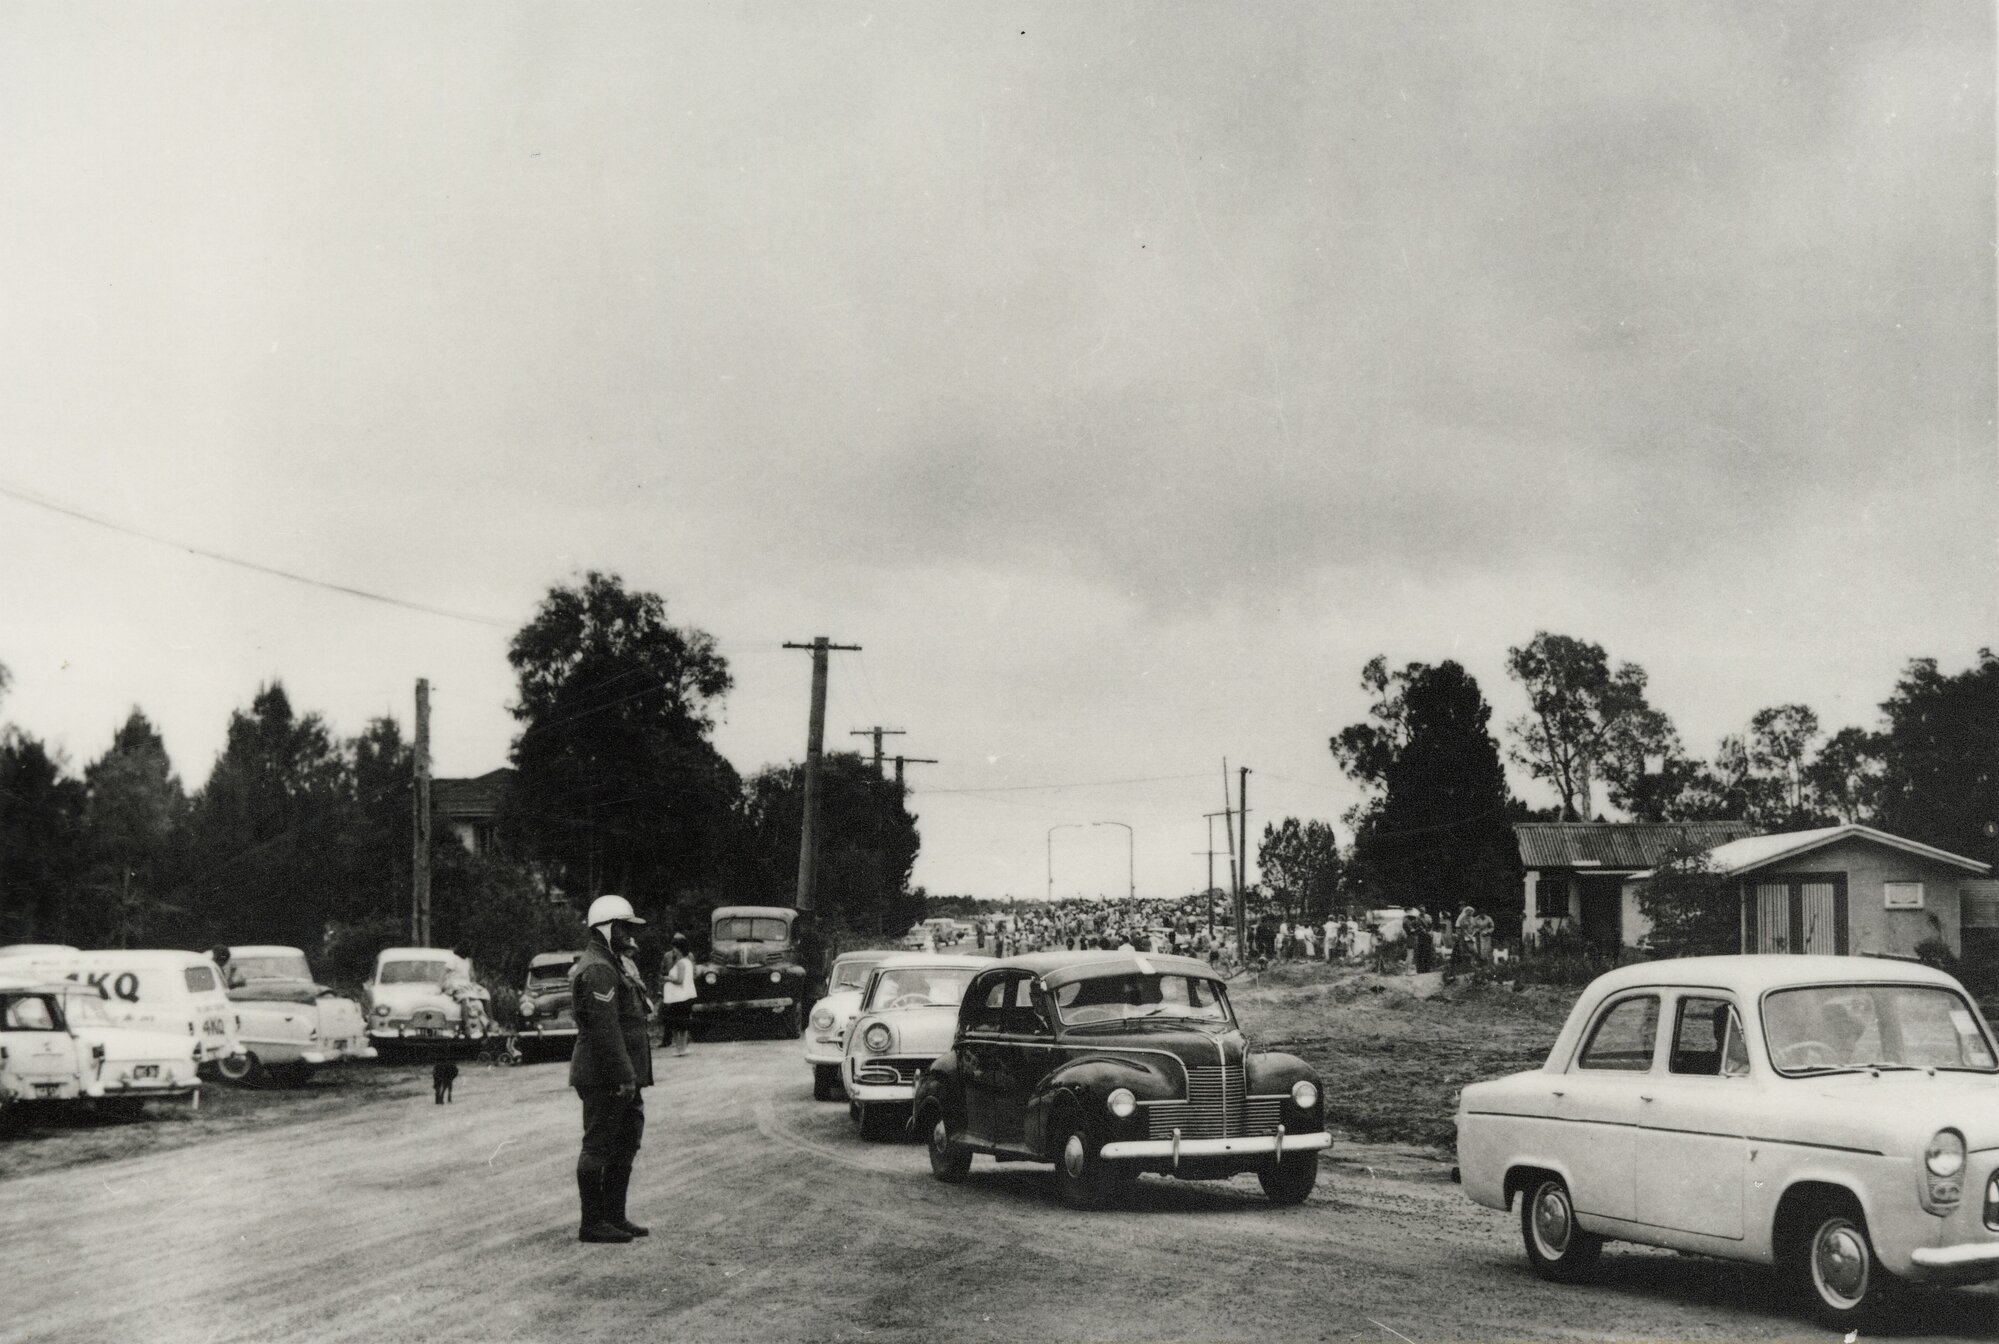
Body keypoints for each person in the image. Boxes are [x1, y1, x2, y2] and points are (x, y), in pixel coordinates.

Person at [569, 894, 655, 1244]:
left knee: (625, 1141)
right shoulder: (600, 969)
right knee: (599, 1145)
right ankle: (592, 1223)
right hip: (606, 1075)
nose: (629, 934)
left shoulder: (613, 963)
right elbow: (605, 1029)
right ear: (606, 928)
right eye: (623, 927)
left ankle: (613, 1216)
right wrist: (623, 1075)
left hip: (619, 1074)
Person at [659, 933, 695, 1057]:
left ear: (679, 949)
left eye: (675, 948)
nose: (673, 950)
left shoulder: (680, 963)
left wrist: (667, 979)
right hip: (684, 996)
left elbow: (679, 980)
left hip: (679, 998)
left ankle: (680, 1048)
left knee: (676, 1024)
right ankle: (682, 1048)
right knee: (682, 1024)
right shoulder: (688, 962)